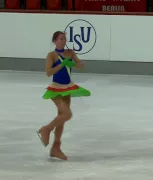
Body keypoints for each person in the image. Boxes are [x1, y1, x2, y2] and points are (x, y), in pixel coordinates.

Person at [37, 31, 91, 160]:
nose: (63, 41)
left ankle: (56, 148)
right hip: (56, 88)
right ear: (54, 41)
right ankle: (46, 129)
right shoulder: (52, 55)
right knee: (67, 114)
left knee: (62, 118)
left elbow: (80, 66)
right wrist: (62, 64)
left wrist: (76, 64)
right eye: (60, 39)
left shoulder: (70, 52)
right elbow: (48, 73)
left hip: (67, 87)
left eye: (64, 39)